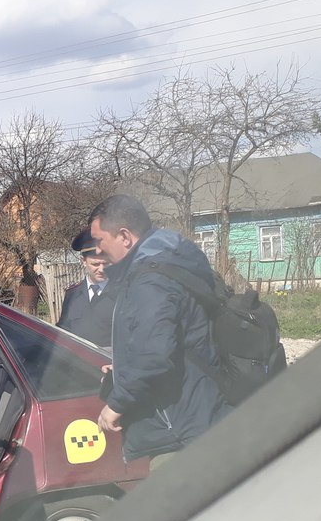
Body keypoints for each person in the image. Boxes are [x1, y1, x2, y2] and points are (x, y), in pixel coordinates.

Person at [89, 194, 230, 466]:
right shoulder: (169, 261)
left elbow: (155, 355)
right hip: (197, 415)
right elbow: (171, 339)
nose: (97, 250)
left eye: (99, 240)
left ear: (124, 236)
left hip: (179, 431)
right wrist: (123, 367)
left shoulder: (151, 279)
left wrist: (116, 405)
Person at [56, 228, 115, 347]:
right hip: (77, 362)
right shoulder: (72, 295)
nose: (102, 269)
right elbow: (63, 331)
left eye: (106, 263)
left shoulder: (122, 293)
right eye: (95, 264)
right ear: (83, 261)